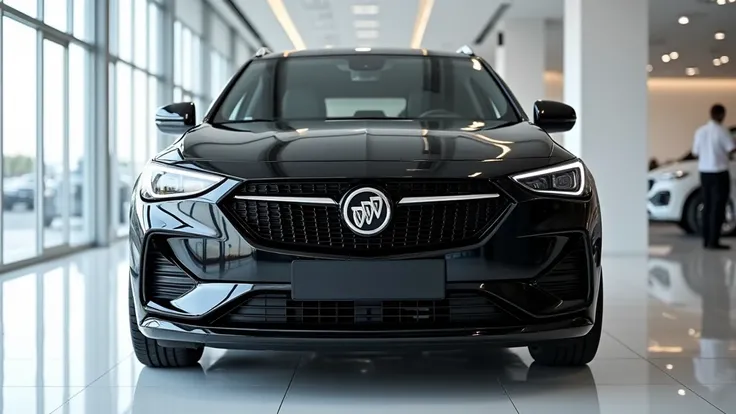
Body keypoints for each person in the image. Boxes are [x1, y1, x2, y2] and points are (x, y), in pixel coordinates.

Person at [692, 104, 734, 249]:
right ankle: (714, 241)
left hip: (704, 172)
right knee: (718, 207)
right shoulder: (723, 131)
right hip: (719, 172)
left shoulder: (700, 131)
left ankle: (705, 240)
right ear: (722, 115)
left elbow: (695, 152)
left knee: (707, 205)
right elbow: (731, 149)